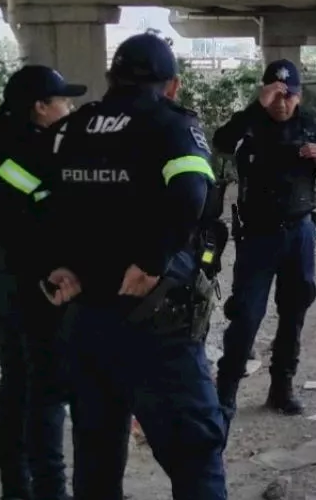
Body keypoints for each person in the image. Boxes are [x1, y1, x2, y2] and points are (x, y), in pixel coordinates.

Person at [38, 33, 227, 500]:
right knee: (195, 457)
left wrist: (52, 263)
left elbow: (39, 203)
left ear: (111, 79)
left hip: (87, 322)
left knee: (97, 460)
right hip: (155, 325)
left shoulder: (71, 128)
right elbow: (191, 193)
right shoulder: (170, 124)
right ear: (173, 85)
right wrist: (151, 261)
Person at [0, 65, 85, 500]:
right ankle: (50, 491)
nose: (68, 109)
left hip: (5, 282)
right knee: (47, 392)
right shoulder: (24, 153)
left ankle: (16, 487)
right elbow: (42, 219)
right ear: (40, 107)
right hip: (35, 287)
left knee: (17, 387)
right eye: (63, 102)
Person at [212, 59, 316, 418]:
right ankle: (225, 394)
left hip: (299, 233)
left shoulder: (312, 127)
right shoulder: (250, 126)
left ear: (298, 98)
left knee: (293, 312)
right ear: (265, 94)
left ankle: (281, 388)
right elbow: (220, 142)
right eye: (275, 95)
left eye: (289, 96)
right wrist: (257, 105)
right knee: (247, 315)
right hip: (257, 236)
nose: (282, 103)